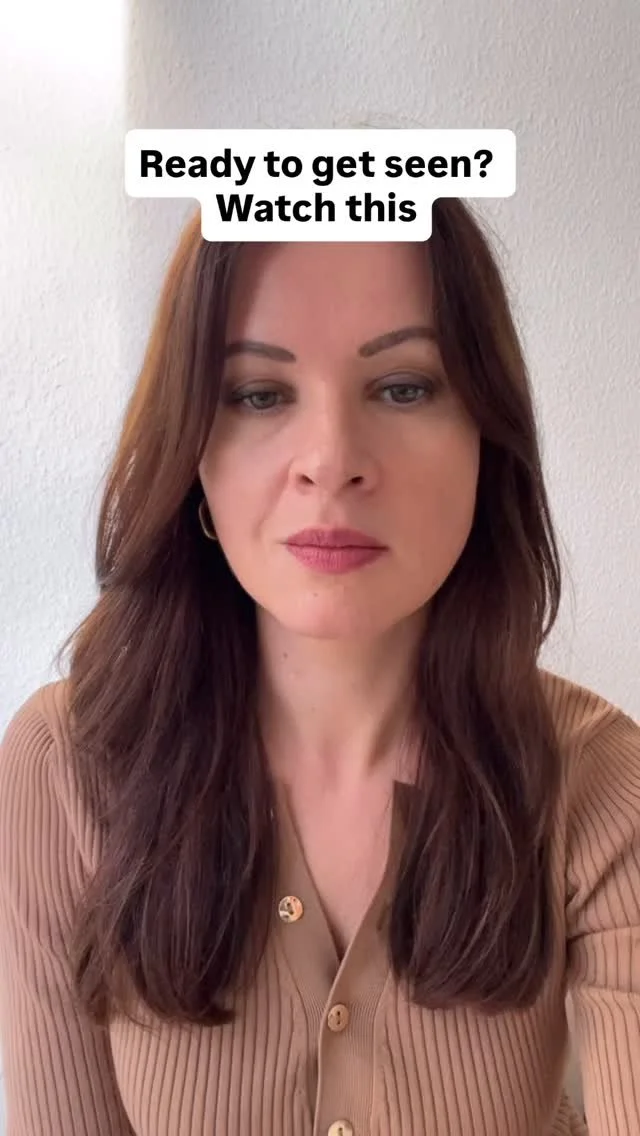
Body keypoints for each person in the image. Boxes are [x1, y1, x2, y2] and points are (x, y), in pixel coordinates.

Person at [0, 203, 638, 1136]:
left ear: (486, 444)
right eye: (259, 394)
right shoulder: (61, 766)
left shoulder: (602, 783)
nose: (331, 462)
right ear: (193, 455)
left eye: (404, 387)